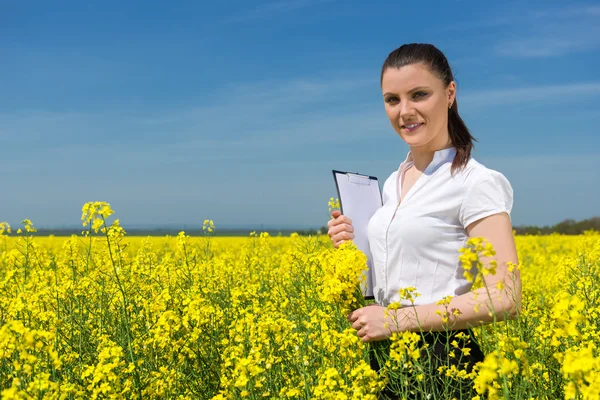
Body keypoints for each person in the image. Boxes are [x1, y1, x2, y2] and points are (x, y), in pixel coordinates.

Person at [327, 43, 521, 399]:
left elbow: (506, 297)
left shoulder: (476, 182)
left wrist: (397, 320)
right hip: (387, 359)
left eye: (419, 94)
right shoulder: (391, 182)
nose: (405, 111)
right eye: (392, 99)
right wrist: (349, 247)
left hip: (445, 361)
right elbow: (393, 278)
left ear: (449, 94)